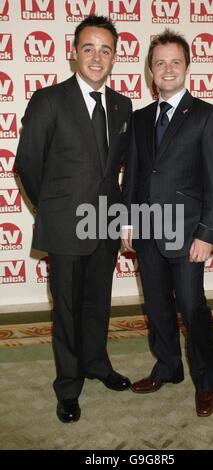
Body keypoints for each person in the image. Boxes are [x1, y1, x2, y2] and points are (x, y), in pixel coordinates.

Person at [16, 14, 132, 423]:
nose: (97, 57)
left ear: (114, 56)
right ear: (73, 53)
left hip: (105, 223)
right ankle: (68, 386)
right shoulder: (49, 100)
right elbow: (27, 164)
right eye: (89, 48)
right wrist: (52, 208)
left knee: (98, 303)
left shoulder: (122, 104)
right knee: (65, 309)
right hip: (65, 225)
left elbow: (118, 169)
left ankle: (97, 364)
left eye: (106, 50)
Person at [122, 29, 213, 417]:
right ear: (151, 70)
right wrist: (126, 222)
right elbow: (133, 175)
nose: (167, 68)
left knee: (191, 306)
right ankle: (167, 367)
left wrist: (207, 234)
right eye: (160, 62)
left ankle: (206, 382)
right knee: (156, 306)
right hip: (147, 232)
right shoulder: (139, 118)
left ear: (186, 67)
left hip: (187, 235)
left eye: (175, 62)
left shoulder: (208, 117)